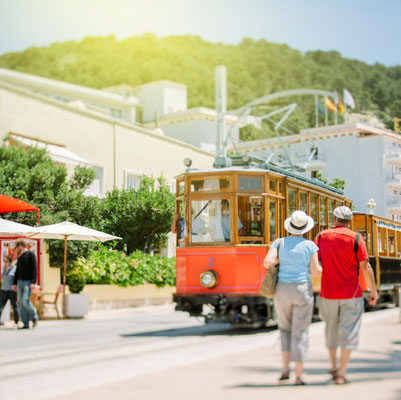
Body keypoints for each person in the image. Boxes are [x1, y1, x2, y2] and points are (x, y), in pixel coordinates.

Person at [314, 206, 378, 385]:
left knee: (331, 330)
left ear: (334, 219)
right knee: (349, 333)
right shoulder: (356, 238)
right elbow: (365, 266)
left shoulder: (320, 237)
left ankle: (333, 366)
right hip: (351, 293)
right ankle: (341, 373)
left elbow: (316, 263)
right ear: (350, 221)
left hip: (328, 293)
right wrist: (373, 290)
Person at [264, 210, 321, 386]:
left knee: (284, 330)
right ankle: (298, 376)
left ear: (289, 227)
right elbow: (315, 271)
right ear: (305, 228)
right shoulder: (310, 245)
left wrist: (280, 265)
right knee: (300, 333)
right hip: (302, 289)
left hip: (282, 289)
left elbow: (267, 262)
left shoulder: (279, 243)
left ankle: (285, 370)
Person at [12, 239, 39, 329]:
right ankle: (25, 323)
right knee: (20, 303)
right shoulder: (20, 257)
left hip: (28, 282)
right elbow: (17, 271)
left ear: (20, 245)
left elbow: (34, 269)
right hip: (19, 282)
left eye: (16, 246)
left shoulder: (31, 255)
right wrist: (14, 283)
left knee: (25, 300)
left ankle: (34, 316)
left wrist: (33, 282)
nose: (16, 249)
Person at [0, 254, 19, 326]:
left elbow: (16, 279)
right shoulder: (3, 269)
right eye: (4, 261)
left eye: (6, 261)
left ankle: (16, 322)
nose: (5, 263)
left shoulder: (14, 268)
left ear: (10, 262)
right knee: (0, 306)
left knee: (15, 307)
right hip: (3, 290)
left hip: (11, 291)